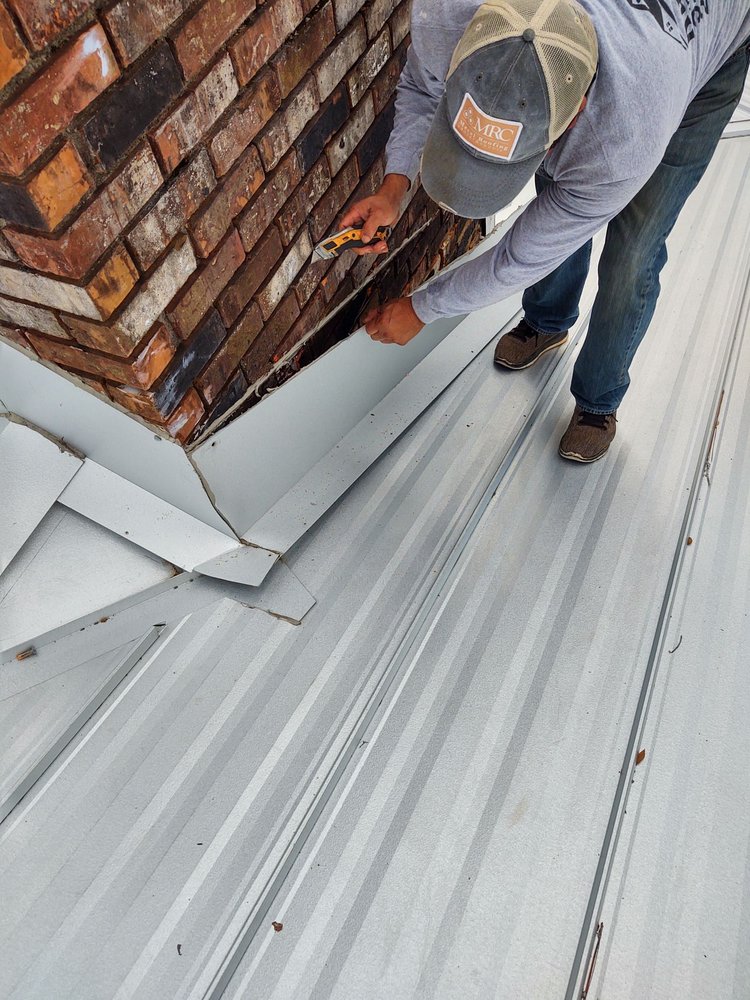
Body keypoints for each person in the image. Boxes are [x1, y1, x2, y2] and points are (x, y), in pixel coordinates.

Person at [342, 0, 750, 462]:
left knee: (633, 252)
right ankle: (548, 321)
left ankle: (598, 399)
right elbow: (421, 84)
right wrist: (395, 186)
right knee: (551, 180)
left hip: (705, 54)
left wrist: (423, 308)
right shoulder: (447, 13)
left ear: (574, 114)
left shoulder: (624, 137)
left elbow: (520, 257)